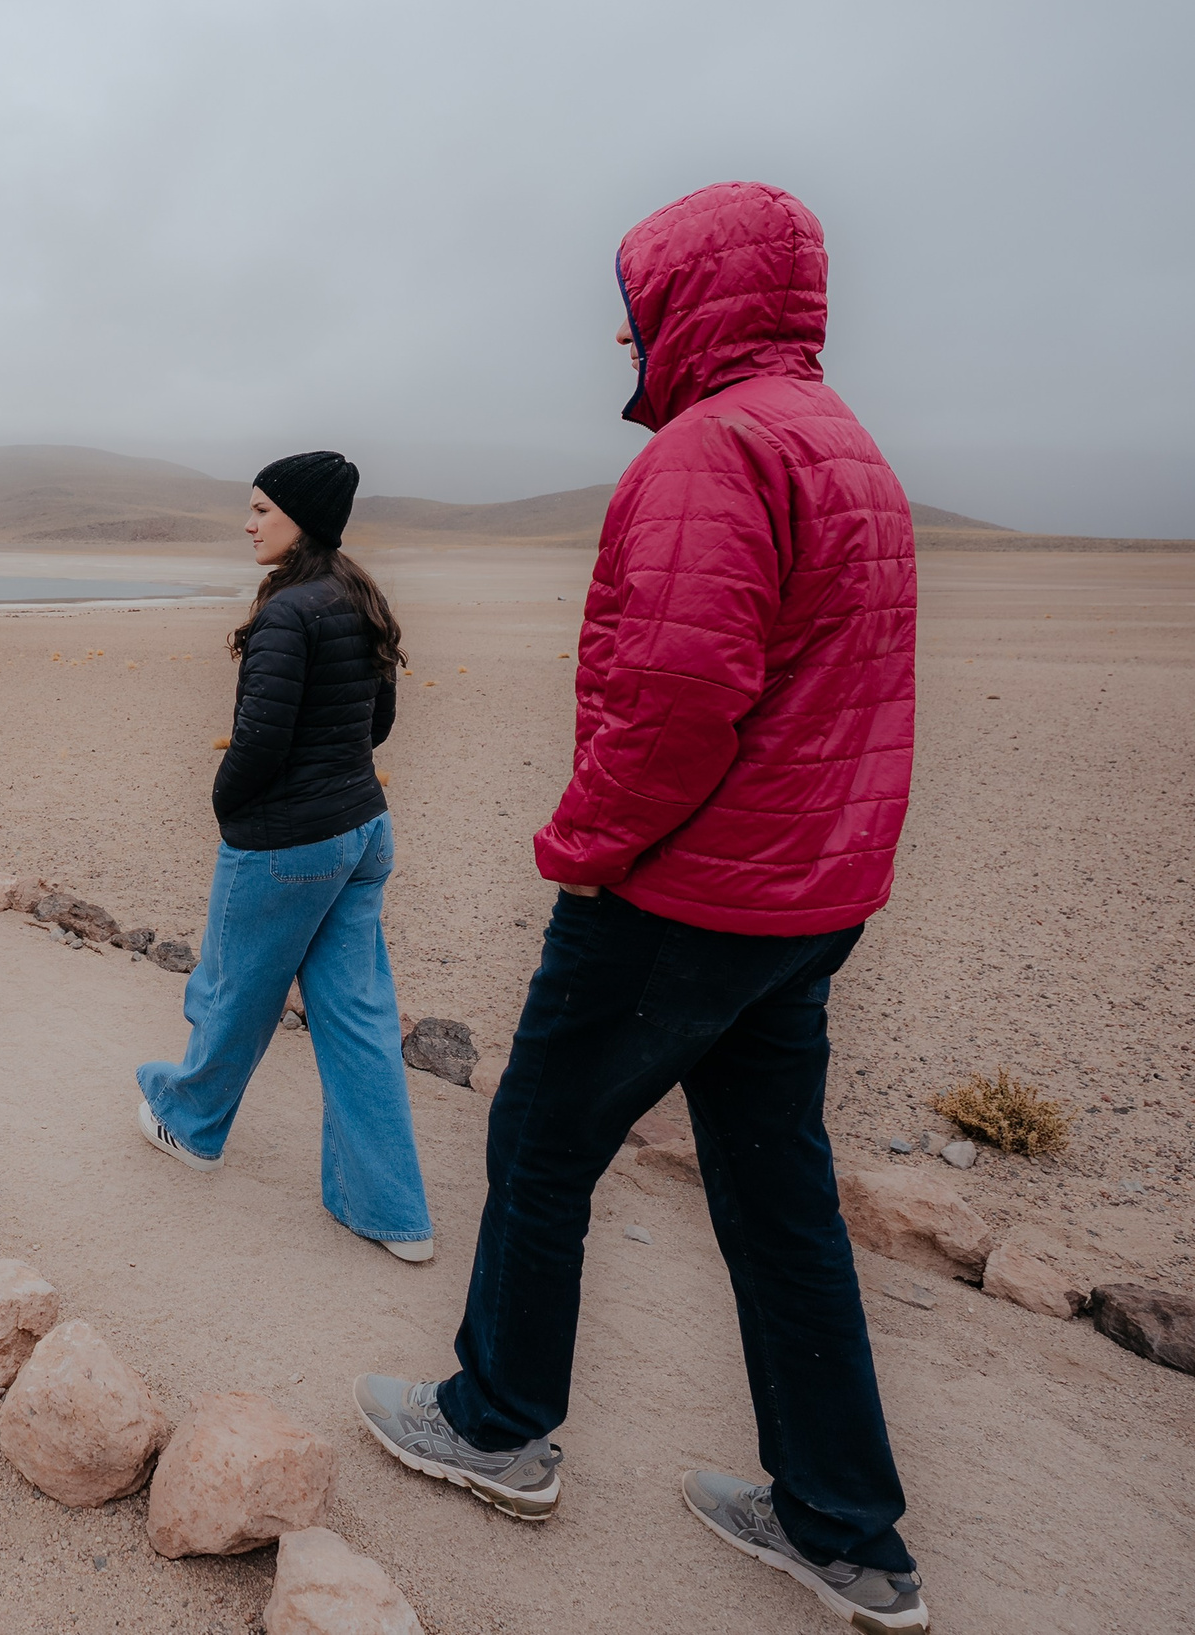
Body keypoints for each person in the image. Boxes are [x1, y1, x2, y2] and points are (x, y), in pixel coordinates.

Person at [352, 183, 926, 1631]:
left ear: (696, 300)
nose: (624, 331)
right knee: (779, 1195)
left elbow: (676, 692)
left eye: (639, 302)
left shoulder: (711, 447)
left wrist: (583, 847)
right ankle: (843, 1526)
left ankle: (496, 1425)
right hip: (806, 897)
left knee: (542, 1144)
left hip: (688, 891)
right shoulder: (844, 445)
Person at [131, 451, 434, 1263]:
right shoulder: (360, 596)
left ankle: (190, 1125)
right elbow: (378, 725)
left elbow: (258, 742)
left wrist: (229, 808)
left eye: (263, 508)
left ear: (303, 519)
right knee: (359, 1018)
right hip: (364, 832)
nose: (249, 523)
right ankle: (393, 1213)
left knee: (233, 989)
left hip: (288, 842)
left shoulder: (287, 610)